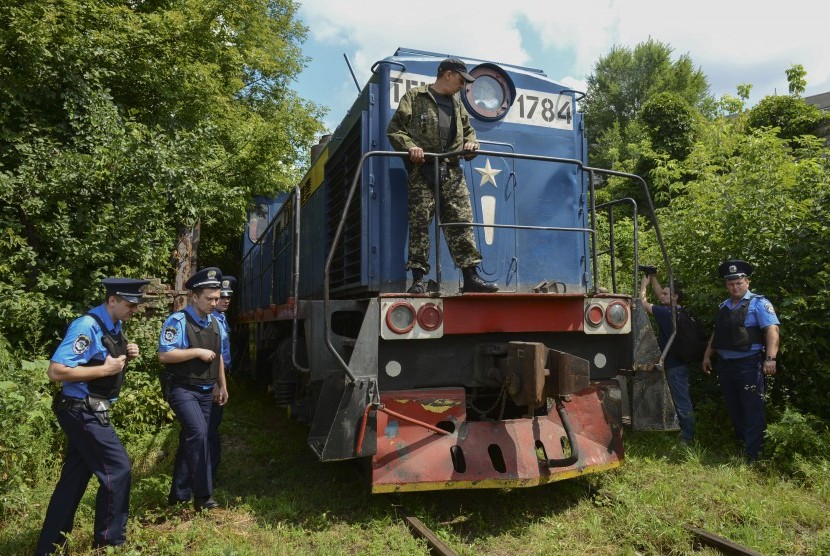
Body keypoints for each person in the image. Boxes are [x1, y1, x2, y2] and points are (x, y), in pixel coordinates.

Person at [36, 278, 149, 555]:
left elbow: (100, 358)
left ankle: (49, 547)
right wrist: (105, 370)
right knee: (118, 470)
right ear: (112, 300)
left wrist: (126, 353)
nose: (134, 309)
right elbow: (56, 371)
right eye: (130, 304)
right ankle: (109, 544)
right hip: (80, 409)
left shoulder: (114, 325)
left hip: (89, 408)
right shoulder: (86, 325)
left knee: (74, 480)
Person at [387, 57, 498, 294]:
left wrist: (471, 144)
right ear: (448, 75)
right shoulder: (415, 97)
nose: (462, 85)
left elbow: (469, 132)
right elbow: (395, 130)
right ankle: (418, 280)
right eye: (460, 79)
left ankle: (471, 278)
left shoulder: (457, 105)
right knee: (419, 224)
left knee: (462, 221)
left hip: (452, 170)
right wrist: (410, 147)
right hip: (422, 169)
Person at [158, 267, 228, 510]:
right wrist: (197, 352)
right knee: (198, 434)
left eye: (217, 298)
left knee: (196, 438)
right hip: (183, 389)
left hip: (208, 390)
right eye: (209, 298)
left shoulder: (216, 323)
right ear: (194, 297)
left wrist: (221, 385)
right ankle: (203, 496)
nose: (214, 302)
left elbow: (218, 356)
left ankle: (178, 495)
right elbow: (165, 355)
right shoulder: (177, 321)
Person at [702, 260, 780, 462]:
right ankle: (743, 444)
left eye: (739, 283)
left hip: (749, 364)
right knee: (734, 406)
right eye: (730, 284)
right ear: (726, 285)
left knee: (752, 408)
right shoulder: (725, 306)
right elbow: (717, 333)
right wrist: (707, 355)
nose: (735, 287)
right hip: (726, 365)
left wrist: (770, 358)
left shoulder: (759, 303)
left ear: (747, 281)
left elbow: (772, 330)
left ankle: (755, 455)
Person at [639, 266, 695, 444]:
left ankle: (688, 437)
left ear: (675, 296)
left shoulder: (665, 313)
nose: (661, 295)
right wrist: (654, 277)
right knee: (681, 398)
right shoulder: (678, 310)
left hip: (675, 365)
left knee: (681, 400)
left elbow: (643, 304)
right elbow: (661, 295)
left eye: (665, 293)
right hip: (680, 362)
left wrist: (644, 285)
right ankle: (686, 431)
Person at [208, 275, 235, 482]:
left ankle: (210, 471)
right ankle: (209, 473)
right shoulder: (212, 320)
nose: (225, 301)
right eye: (222, 297)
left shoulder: (221, 318)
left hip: (220, 377)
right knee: (210, 429)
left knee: (213, 426)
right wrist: (218, 383)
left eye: (228, 297)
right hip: (213, 381)